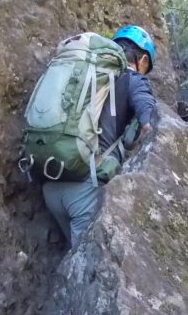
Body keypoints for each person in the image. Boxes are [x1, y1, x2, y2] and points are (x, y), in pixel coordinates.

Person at [42, 24, 157, 248]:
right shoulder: (134, 80)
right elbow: (150, 122)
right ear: (142, 60)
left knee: (73, 259)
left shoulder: (84, 73)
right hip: (86, 189)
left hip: (49, 180)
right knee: (84, 272)